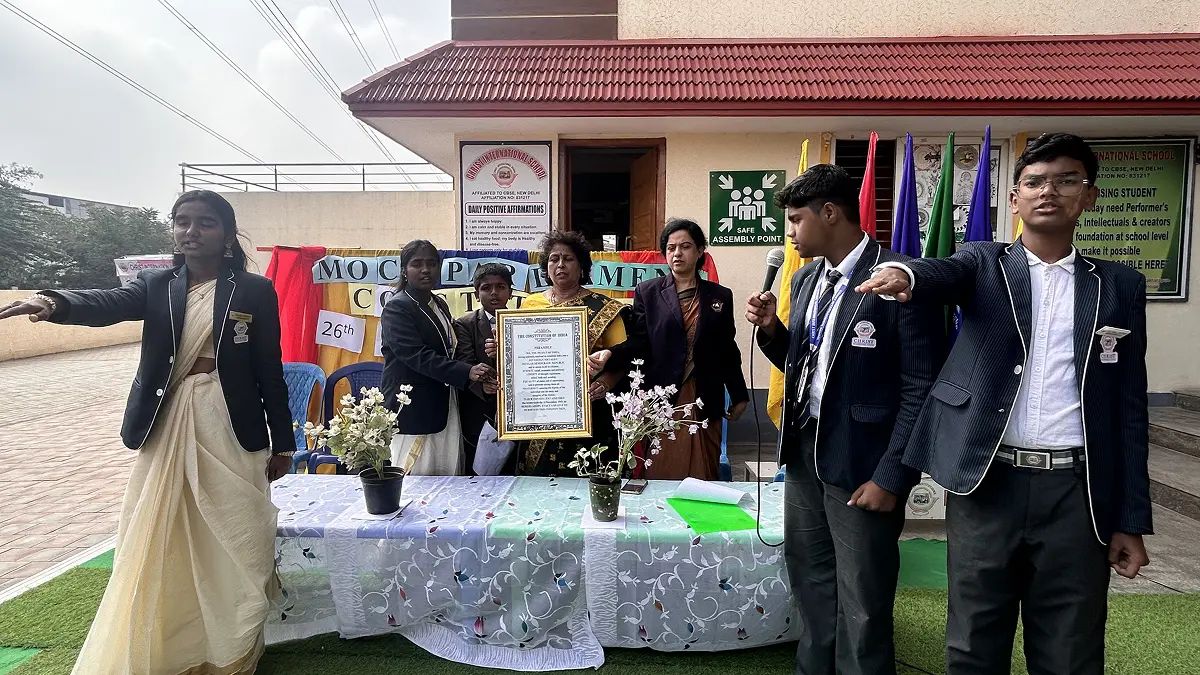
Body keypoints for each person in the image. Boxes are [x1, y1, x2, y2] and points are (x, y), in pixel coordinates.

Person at [857, 133, 1152, 675]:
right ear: (1013, 200)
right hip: (988, 483)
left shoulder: (1118, 286)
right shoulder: (985, 264)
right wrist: (906, 274)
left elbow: (1130, 411)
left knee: (1071, 647)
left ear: (1088, 196)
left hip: (1078, 491)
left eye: (1066, 181)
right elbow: (941, 272)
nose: (1048, 192)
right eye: (1034, 182)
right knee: (973, 641)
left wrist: (1130, 519)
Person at [0, 190, 292, 674]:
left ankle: (232, 646)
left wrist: (283, 442)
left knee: (238, 532)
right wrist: (53, 300)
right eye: (182, 221)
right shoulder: (158, 285)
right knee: (165, 530)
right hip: (169, 423)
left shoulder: (255, 290)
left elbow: (270, 369)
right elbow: (108, 302)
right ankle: (174, 646)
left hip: (230, 425)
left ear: (226, 233)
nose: (191, 231)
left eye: (205, 222)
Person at [744, 165, 944, 675]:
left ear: (829, 213)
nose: (788, 234)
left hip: (863, 466)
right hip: (806, 452)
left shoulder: (899, 278)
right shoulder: (809, 277)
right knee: (810, 578)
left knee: (863, 593)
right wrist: (772, 331)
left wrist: (891, 475)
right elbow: (806, 360)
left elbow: (921, 388)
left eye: (794, 220)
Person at [592, 218, 749, 480]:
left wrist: (739, 394)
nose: (677, 253)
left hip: (705, 399)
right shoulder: (648, 292)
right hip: (663, 401)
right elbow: (639, 342)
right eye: (671, 247)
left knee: (704, 477)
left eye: (685, 246)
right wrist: (610, 354)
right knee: (662, 474)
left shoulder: (720, 296)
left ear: (700, 252)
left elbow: (727, 350)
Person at [487, 231, 629, 477]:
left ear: (582, 265)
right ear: (546, 266)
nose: (560, 265)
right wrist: (501, 351)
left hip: (588, 413)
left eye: (568, 259)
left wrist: (605, 384)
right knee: (536, 488)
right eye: (553, 259)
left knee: (584, 482)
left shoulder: (604, 308)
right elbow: (523, 359)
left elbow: (622, 359)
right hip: (536, 410)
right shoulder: (530, 304)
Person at [380, 240, 494, 476]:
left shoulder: (438, 303)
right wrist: (465, 371)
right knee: (417, 478)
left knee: (446, 470)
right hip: (415, 405)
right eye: (417, 264)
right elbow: (415, 355)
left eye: (432, 263)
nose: (425, 270)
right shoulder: (397, 307)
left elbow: (449, 348)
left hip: (444, 401)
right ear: (404, 270)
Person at [454, 262, 512, 474]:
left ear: (510, 292)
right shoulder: (465, 324)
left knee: (512, 468)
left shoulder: (524, 321)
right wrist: (481, 385)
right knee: (479, 469)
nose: (494, 293)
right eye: (486, 288)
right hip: (480, 409)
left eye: (501, 287)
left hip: (517, 409)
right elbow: (464, 361)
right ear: (477, 294)